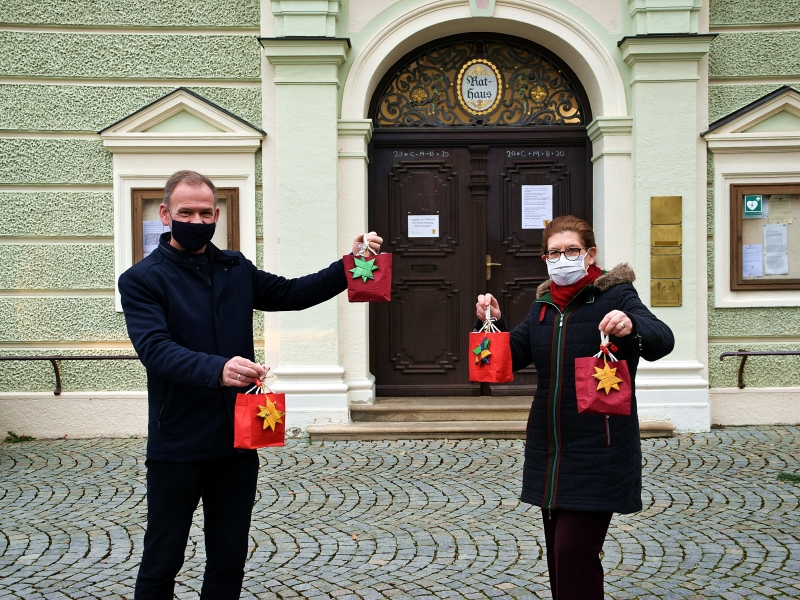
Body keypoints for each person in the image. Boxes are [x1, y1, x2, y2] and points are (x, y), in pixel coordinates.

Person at [118, 170, 382, 599]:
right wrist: (217, 369)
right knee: (163, 555)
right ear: (166, 215)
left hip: (237, 439)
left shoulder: (234, 267)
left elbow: (294, 293)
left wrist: (351, 264)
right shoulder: (142, 280)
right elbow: (155, 349)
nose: (197, 220)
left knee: (229, 555)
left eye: (206, 212)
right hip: (178, 441)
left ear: (217, 215)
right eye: (187, 211)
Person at [475, 215, 673, 600]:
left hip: (601, 450)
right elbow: (511, 358)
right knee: (559, 557)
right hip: (550, 452)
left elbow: (663, 340)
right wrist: (491, 324)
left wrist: (631, 324)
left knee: (573, 552)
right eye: (553, 252)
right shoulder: (543, 306)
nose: (561, 258)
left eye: (571, 250)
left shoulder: (617, 295)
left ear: (590, 254)